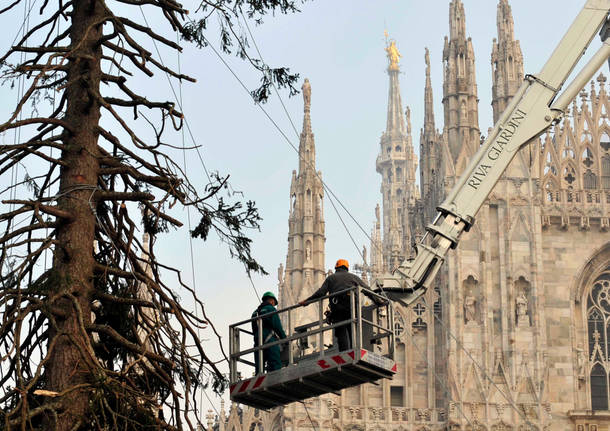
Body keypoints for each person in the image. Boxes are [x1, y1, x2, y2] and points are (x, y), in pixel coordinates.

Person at [298, 259, 384, 352]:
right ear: (347, 268)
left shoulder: (331, 278)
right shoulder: (353, 277)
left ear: (336, 268)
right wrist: (379, 301)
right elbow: (367, 290)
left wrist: (307, 301)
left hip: (337, 310)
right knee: (352, 330)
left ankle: (344, 352)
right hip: (352, 309)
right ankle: (354, 350)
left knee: (341, 332)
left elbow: (321, 293)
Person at [252, 291, 286, 374]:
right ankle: (276, 379)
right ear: (271, 300)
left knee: (259, 366)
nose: (273, 305)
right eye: (274, 303)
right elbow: (277, 325)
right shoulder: (271, 309)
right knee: (275, 364)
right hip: (269, 339)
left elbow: (254, 328)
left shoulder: (254, 313)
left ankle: (258, 377)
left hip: (257, 340)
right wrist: (284, 338)